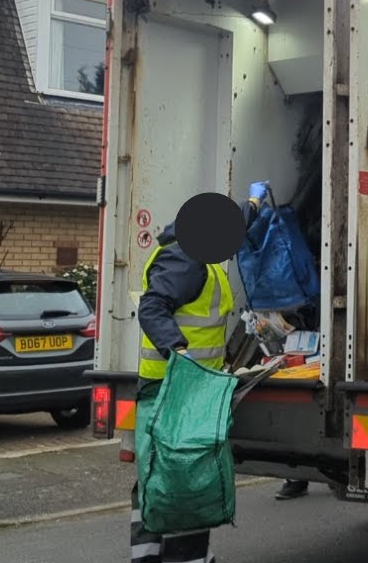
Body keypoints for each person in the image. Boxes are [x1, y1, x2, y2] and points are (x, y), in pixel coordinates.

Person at [129, 185, 256, 563]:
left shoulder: (194, 250)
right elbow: (152, 308)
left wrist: (253, 205)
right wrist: (180, 353)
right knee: (187, 479)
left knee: (160, 477)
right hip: (175, 389)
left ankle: (147, 557)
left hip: (182, 387)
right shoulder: (186, 259)